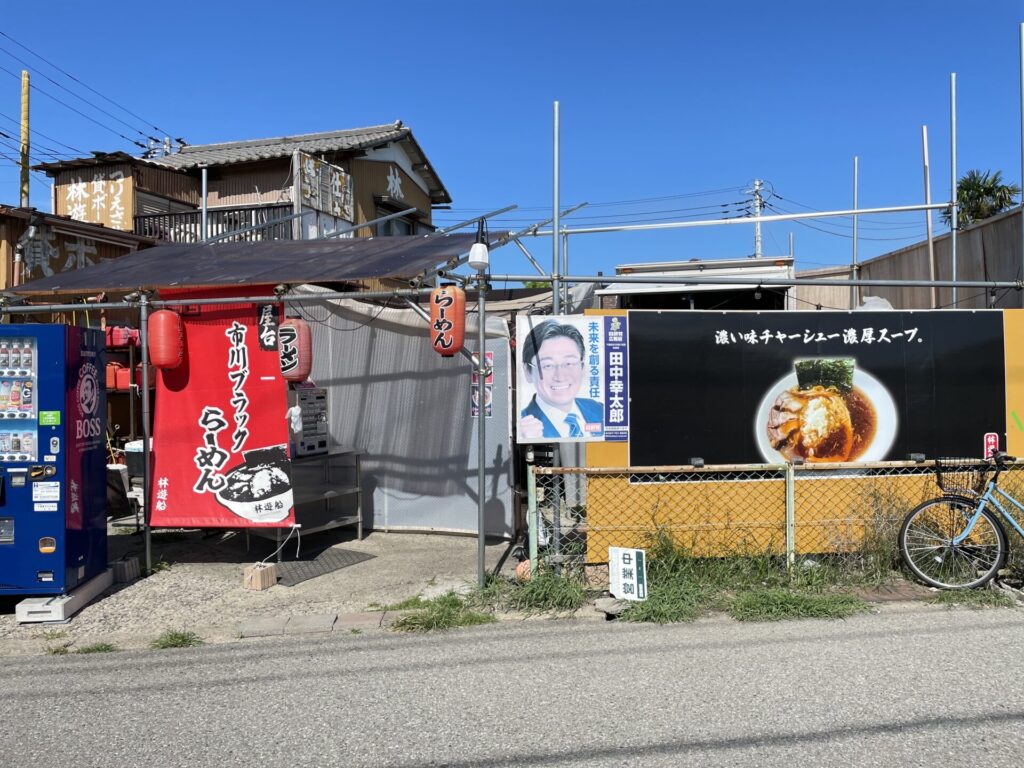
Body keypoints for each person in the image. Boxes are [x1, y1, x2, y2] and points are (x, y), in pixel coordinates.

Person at [519, 320, 603, 440]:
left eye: (569, 363)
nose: (560, 376)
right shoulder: (521, 426)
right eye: (547, 365)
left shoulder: (600, 410)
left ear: (582, 366)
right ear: (527, 371)